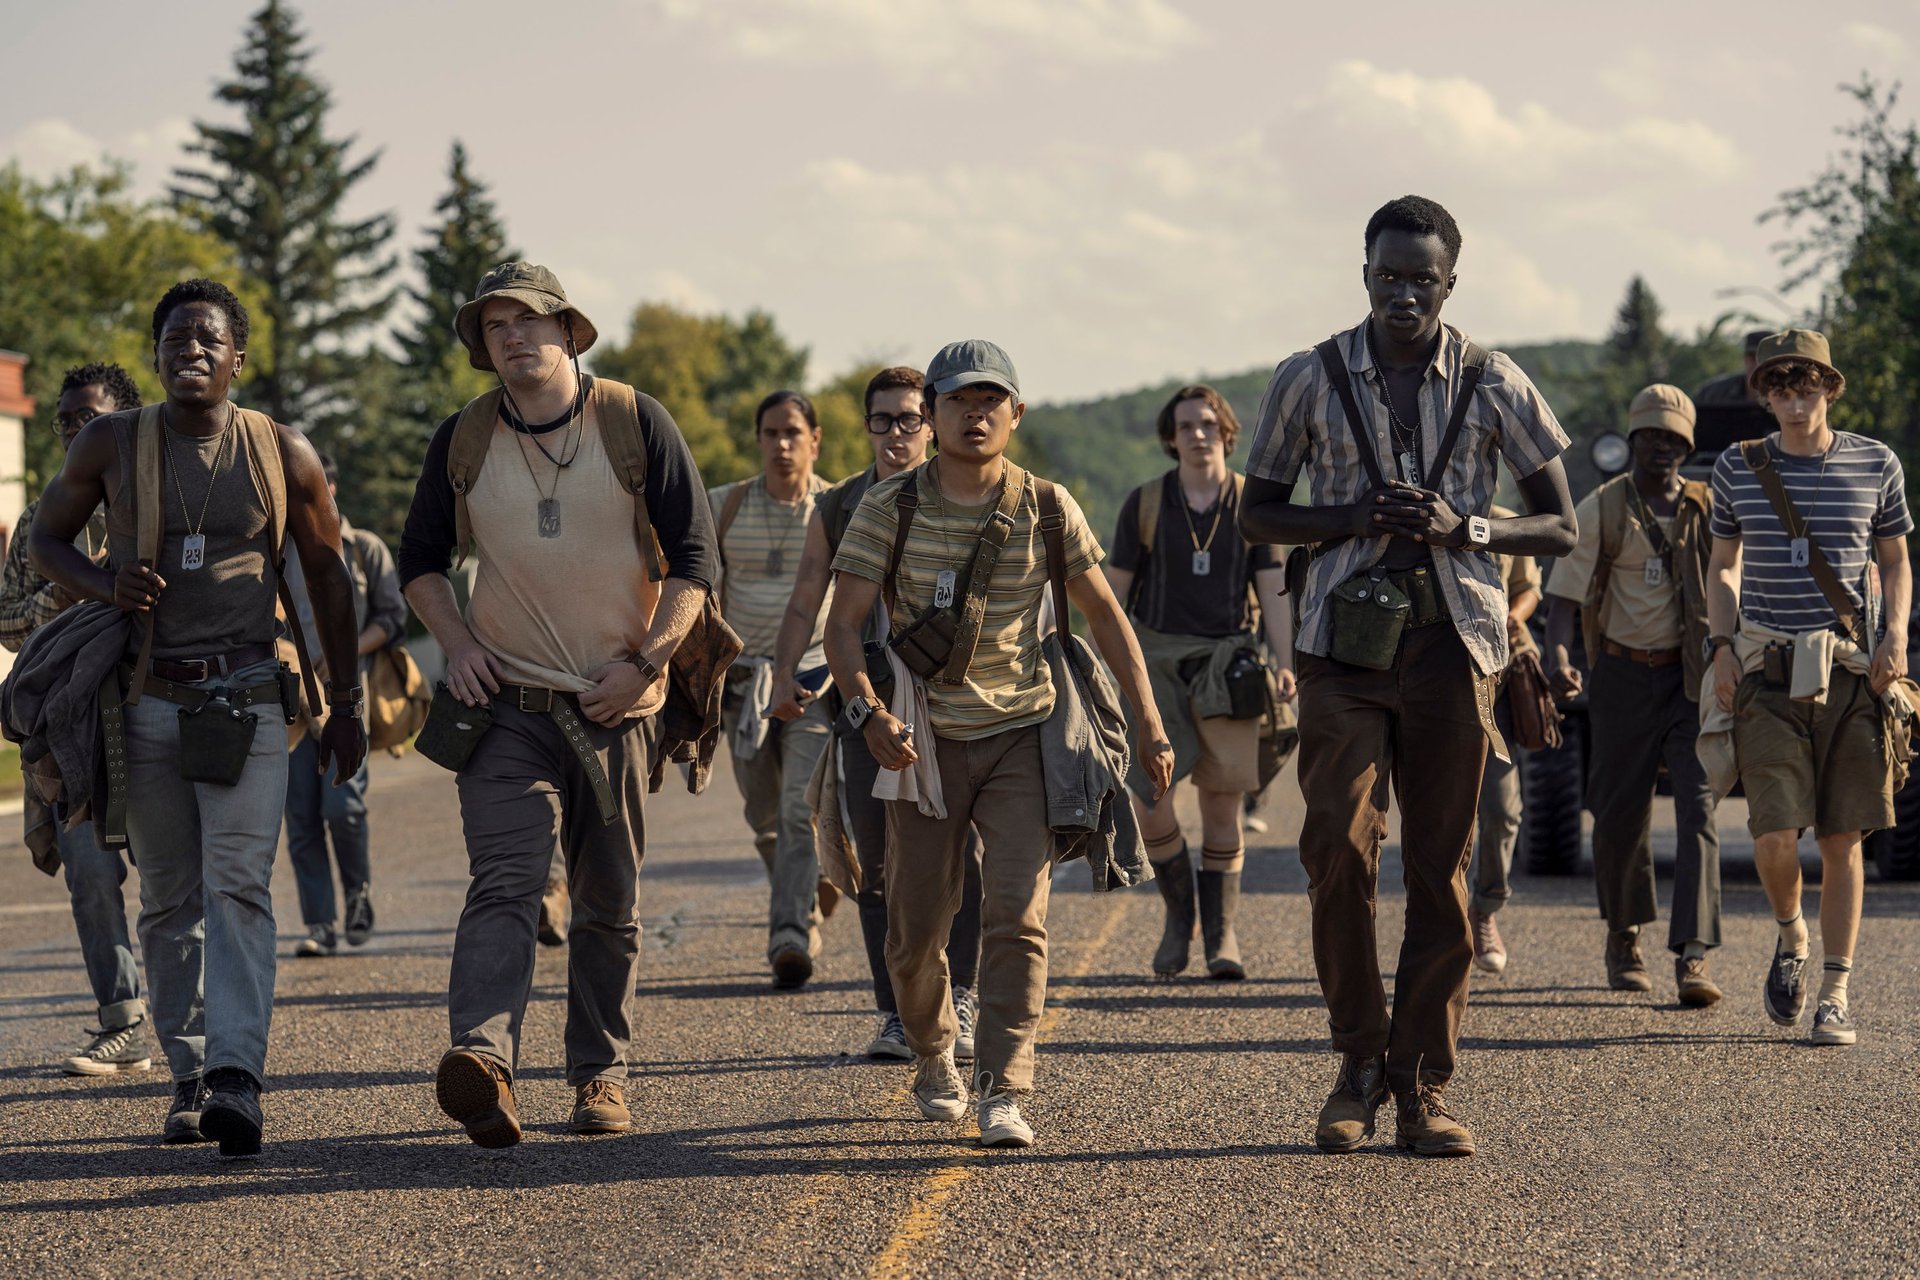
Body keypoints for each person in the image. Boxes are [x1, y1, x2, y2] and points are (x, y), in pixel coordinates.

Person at [1239, 196, 1576, 1158]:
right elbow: (1260, 514)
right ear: (1364, 273)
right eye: (1387, 275)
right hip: (1342, 651)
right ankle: (1356, 1064)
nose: (1402, 294)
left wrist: (1462, 526)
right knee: (1337, 851)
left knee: (1442, 874)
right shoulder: (1308, 377)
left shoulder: (1494, 380)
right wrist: (1351, 517)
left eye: (1421, 279)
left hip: (1455, 649)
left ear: (1450, 284)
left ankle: (1422, 1086)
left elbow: (1559, 525)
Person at [30, 279, 368, 1157]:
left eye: (209, 340)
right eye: (176, 338)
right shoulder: (112, 442)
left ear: (237, 359)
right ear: (157, 355)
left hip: (250, 695)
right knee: (170, 898)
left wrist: (344, 704)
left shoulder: (280, 451)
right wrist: (106, 585)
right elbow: (44, 538)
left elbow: (329, 575)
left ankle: (236, 1077)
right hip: (146, 698)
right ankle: (186, 1076)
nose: (192, 351)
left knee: (240, 887)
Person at [399, 261, 720, 1146]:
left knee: (607, 899)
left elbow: (695, 561)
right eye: (493, 326)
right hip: (504, 703)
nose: (511, 337)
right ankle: (485, 1061)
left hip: (613, 703)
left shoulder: (632, 420)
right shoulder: (462, 438)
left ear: (570, 330)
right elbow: (419, 560)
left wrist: (651, 662)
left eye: (528, 320)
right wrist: (459, 645)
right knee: (505, 880)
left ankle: (600, 1075)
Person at [824, 338, 1173, 1149]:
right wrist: (867, 713)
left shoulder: (1048, 507)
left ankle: (1005, 1088)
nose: (975, 415)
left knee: (1018, 915)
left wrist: (1149, 720)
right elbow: (842, 626)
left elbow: (1105, 617)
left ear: (1015, 414)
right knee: (914, 935)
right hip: (921, 743)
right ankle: (933, 1049)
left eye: (991, 402)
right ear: (933, 412)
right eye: (958, 401)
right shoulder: (890, 508)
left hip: (1022, 736)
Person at [767, 367, 984, 1058]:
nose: (896, 433)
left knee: (962, 856)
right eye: (882, 420)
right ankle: (895, 1011)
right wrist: (781, 674)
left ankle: (966, 998)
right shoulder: (838, 506)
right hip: (862, 701)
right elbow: (807, 599)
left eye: (910, 419)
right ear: (864, 427)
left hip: (955, 704)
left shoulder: (964, 491)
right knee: (875, 860)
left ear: (932, 422)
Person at [1704, 330, 1911, 1048]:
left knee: (1843, 836)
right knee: (1772, 836)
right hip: (1766, 666)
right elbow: (1723, 566)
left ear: (1830, 388)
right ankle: (1791, 935)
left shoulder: (1874, 462)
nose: (1794, 401)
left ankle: (1834, 994)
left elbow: (1896, 561)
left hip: (1851, 670)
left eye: (1806, 386)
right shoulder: (1737, 467)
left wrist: (1896, 637)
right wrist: (1721, 646)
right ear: (1765, 394)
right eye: (1780, 388)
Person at [1102, 384, 1293, 981]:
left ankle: (1221, 935)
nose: (1198, 434)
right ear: (1171, 437)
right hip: (1154, 662)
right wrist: (1095, 662)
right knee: (1151, 797)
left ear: (1226, 432)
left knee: (1220, 803)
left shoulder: (1250, 504)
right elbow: (1111, 592)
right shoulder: (1147, 504)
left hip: (1228, 664)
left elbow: (1274, 590)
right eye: (1186, 426)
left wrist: (1286, 661)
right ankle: (1178, 918)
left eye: (1208, 423)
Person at [1543, 385, 1722, 1004]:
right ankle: (1625, 935)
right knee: (1621, 815)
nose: (1661, 448)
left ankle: (1693, 955)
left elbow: (1734, 582)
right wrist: (1557, 655)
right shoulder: (1603, 507)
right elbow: (1563, 597)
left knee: (1699, 811)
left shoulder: (1709, 508)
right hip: (1620, 675)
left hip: (1689, 678)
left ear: (1687, 444)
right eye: (1650, 436)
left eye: (1674, 438)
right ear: (1633, 439)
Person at [0, 361, 149, 1077]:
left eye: (87, 418)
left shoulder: (156, 495)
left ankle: (202, 1027)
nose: (72, 432)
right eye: (63, 421)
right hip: (67, 727)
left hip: (150, 707)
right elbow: (5, 622)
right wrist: (67, 595)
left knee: (173, 870)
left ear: (122, 421)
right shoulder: (41, 517)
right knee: (90, 873)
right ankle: (122, 1023)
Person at [711, 392, 834, 989]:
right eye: (770, 433)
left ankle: (789, 933)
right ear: (758, 440)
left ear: (815, 439)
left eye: (792, 432)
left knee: (797, 811)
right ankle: (808, 889)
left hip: (814, 683)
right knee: (763, 818)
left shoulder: (837, 509)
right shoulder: (726, 506)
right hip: (740, 690)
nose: (781, 445)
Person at [282, 451, 407, 957]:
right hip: (291, 699)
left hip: (347, 696)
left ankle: (358, 895)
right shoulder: (278, 548)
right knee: (301, 816)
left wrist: (342, 653)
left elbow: (393, 618)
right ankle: (320, 925)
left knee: (343, 807)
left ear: (331, 490)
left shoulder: (365, 549)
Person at [1466, 505, 1541, 976]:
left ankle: (1485, 907)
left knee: (1501, 807)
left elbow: (1529, 588)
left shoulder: (1509, 521)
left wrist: (1512, 615)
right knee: (1432, 809)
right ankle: (1440, 919)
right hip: (1435, 677)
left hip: (1497, 680)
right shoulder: (1428, 512)